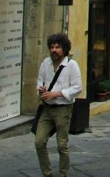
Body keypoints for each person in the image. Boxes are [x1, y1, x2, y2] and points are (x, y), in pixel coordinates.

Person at [35, 33, 82, 177]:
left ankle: (63, 174)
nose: (54, 50)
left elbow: (77, 88)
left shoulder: (71, 65)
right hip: (47, 109)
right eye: (52, 47)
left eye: (57, 47)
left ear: (64, 49)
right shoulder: (45, 63)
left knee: (62, 145)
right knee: (39, 142)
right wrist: (41, 88)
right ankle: (47, 173)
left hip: (63, 109)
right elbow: (40, 80)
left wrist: (57, 94)